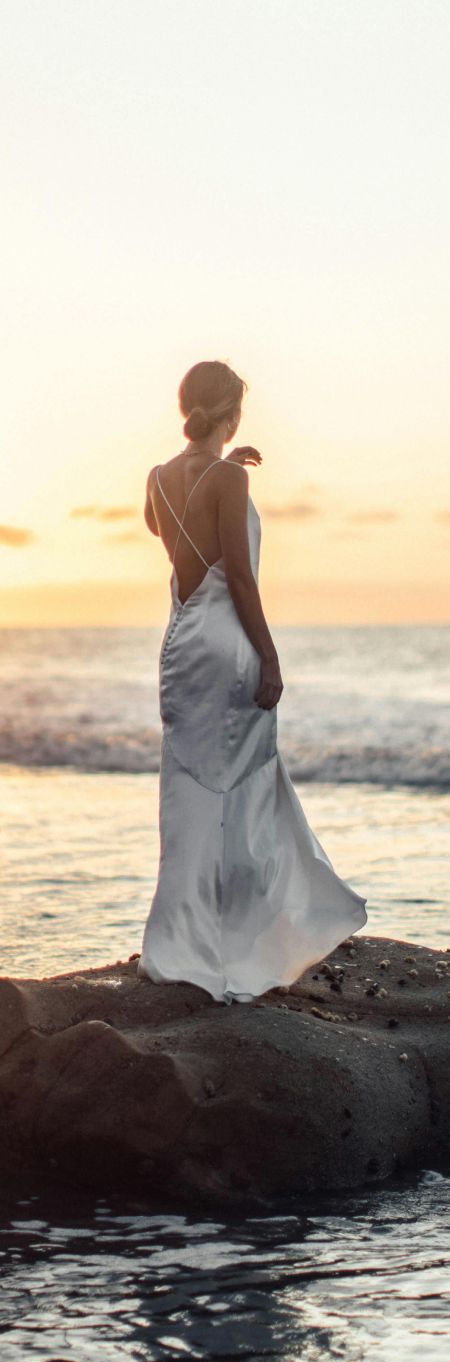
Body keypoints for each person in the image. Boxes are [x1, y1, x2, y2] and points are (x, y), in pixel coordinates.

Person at [138, 360, 367, 1004]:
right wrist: (270, 657)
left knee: (190, 790)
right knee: (246, 789)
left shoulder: (157, 478)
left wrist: (217, 469)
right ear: (233, 414)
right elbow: (240, 577)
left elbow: (165, 526)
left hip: (183, 645)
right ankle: (250, 939)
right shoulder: (229, 478)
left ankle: (180, 942)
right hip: (230, 642)